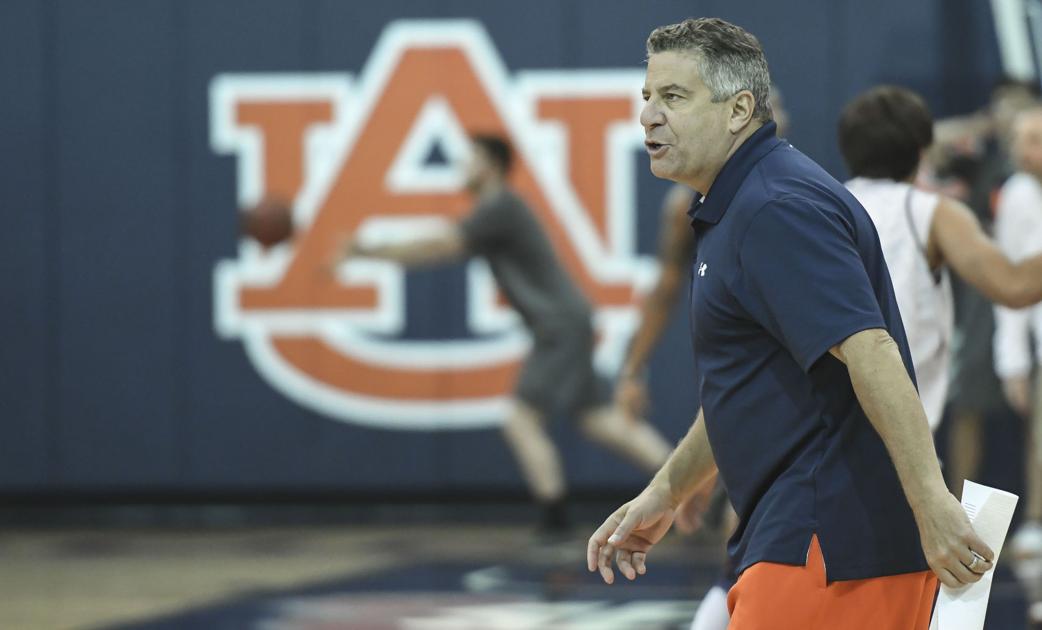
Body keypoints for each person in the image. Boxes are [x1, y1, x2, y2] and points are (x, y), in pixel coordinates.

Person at [586, 18, 994, 630]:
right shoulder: (743, 200)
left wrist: (931, 501)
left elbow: (872, 351)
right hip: (809, 539)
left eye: (673, 97)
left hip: (829, 545)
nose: (648, 115)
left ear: (738, 109)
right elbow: (755, 383)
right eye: (646, 96)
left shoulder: (774, 208)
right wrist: (668, 489)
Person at [331, 134, 673, 538]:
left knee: (520, 419)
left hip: (558, 327)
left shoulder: (500, 206)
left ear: (491, 164)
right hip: (567, 322)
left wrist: (367, 251)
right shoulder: (497, 210)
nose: (462, 165)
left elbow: (440, 245)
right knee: (598, 419)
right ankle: (695, 488)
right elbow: (447, 247)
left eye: (470, 157)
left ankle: (556, 518)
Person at [614, 87, 791, 630]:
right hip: (741, 379)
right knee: (748, 523)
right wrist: (632, 366)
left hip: (793, 377)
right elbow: (666, 287)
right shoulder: (690, 205)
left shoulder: (789, 194)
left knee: (765, 522)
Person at [841, 86, 1042, 431]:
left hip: (826, 412)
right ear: (922, 151)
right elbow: (1015, 285)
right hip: (894, 422)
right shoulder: (931, 212)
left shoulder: (826, 205)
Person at [993, 107, 1042, 595]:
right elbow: (1010, 279)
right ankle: (1037, 519)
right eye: (1021, 138)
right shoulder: (1018, 195)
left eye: (1036, 138)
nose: (1024, 148)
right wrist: (1014, 361)